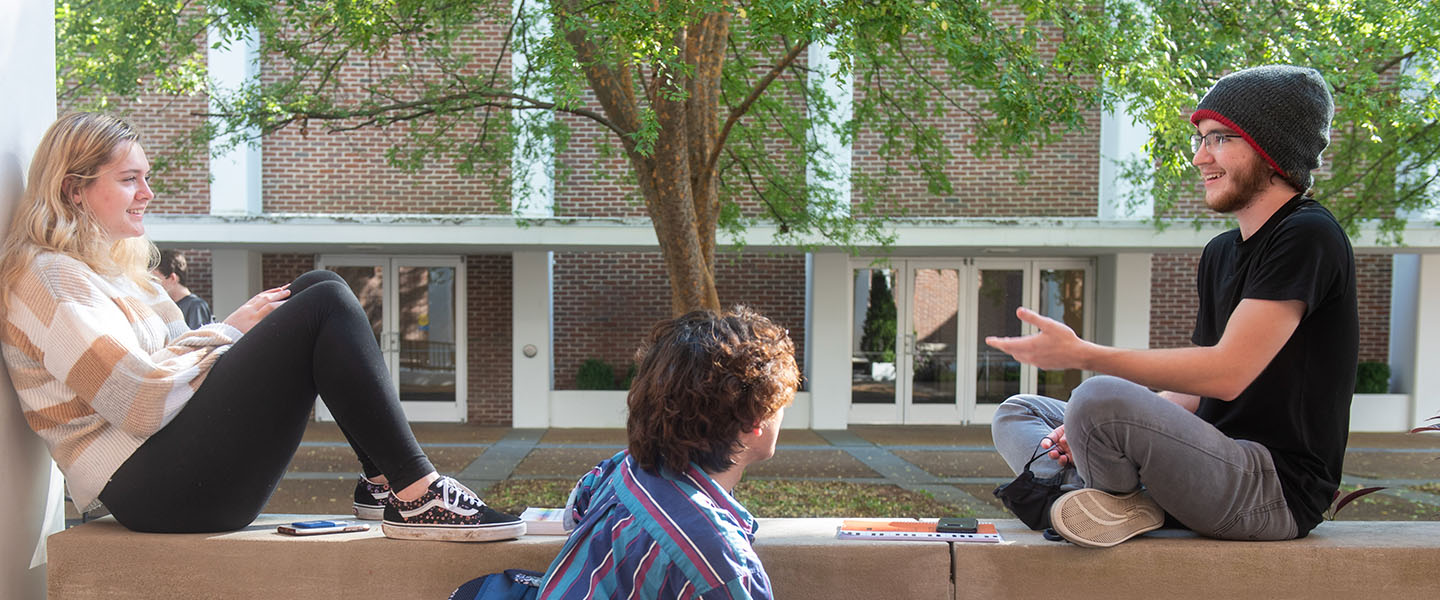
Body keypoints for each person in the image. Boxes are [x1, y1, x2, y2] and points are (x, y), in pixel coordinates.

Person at [0, 112, 523, 541]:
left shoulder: (121, 273)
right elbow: (137, 402)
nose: (148, 193)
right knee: (326, 307)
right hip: (152, 488)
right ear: (74, 190)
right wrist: (229, 331)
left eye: (147, 176)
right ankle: (419, 495)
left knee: (319, 285)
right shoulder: (49, 279)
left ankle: (386, 482)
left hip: (168, 466)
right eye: (130, 179)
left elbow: (171, 363)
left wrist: (226, 335)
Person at [987, 65, 1356, 548]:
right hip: (1207, 455)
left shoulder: (1308, 235)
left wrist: (1085, 357)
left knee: (1097, 397)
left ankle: (1105, 498)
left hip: (1270, 488)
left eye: (1219, 138)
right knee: (1020, 411)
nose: (1201, 157)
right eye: (1200, 140)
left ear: (1273, 148)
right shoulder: (1222, 252)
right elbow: (1199, 394)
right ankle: (1121, 500)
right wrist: (1081, 431)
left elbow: (1227, 373)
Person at [538, 308, 799, 599]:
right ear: (755, 419)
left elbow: (575, 511)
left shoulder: (619, 470)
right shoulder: (723, 564)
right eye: (779, 405)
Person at [153, 248, 213, 328]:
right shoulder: (167, 305)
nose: (152, 284)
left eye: (155, 279)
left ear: (172, 278)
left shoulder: (196, 306)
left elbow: (198, 339)